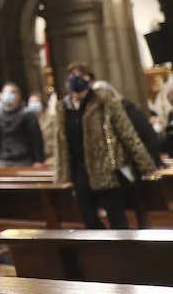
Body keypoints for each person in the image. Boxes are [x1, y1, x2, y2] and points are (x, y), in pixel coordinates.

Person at [56, 64, 158, 229]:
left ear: (90, 80)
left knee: (117, 219)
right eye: (72, 76)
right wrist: (61, 175)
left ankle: (124, 252)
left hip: (106, 169)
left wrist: (145, 164)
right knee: (88, 217)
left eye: (81, 75)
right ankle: (104, 250)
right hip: (79, 170)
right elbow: (60, 143)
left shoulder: (104, 102)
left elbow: (127, 133)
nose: (77, 79)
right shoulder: (63, 108)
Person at [0, 82, 45, 167]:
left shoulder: (27, 115)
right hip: (3, 159)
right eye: (5, 93)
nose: (8, 95)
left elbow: (35, 139)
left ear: (18, 96)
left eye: (12, 92)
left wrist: (38, 160)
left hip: (23, 159)